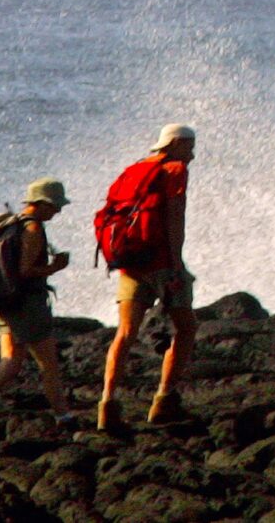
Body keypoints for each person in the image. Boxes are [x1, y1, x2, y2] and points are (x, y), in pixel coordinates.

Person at [97, 123, 197, 432]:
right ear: (176, 144)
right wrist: (176, 261)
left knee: (125, 332)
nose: (193, 153)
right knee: (185, 329)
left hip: (129, 262)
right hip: (162, 263)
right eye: (189, 145)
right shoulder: (175, 170)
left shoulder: (133, 170)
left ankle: (107, 405)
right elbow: (174, 216)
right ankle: (163, 401)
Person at [0, 179, 76, 430]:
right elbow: (25, 271)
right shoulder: (33, 229)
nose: (58, 211)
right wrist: (55, 267)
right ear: (42, 203)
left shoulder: (11, 222)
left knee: (10, 361)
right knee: (49, 365)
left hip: (6, 301)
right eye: (55, 206)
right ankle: (64, 418)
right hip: (27, 304)